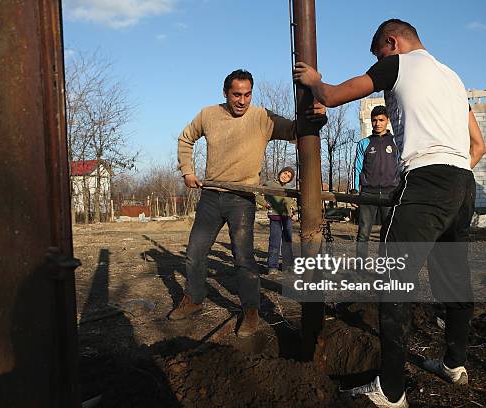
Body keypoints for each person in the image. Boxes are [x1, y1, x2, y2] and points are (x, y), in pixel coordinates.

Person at [294, 19, 486, 408]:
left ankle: (392, 391)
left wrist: (315, 79)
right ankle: (454, 363)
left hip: (426, 181)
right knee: (453, 278)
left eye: (378, 54)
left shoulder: (399, 64)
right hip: (463, 183)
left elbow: (331, 96)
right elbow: (478, 145)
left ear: (391, 42)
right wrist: (452, 175)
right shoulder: (452, 77)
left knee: (392, 283)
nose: (378, 64)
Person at [170, 69, 327, 338]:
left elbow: (294, 130)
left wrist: (317, 116)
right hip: (210, 195)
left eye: (247, 94)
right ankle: (194, 299)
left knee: (243, 258)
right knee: (195, 252)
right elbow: (186, 138)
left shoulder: (262, 118)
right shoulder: (208, 115)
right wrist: (187, 170)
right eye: (236, 95)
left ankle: (251, 311)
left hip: (241, 198)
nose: (242, 101)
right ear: (225, 93)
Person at [352, 105, 400, 260]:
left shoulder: (396, 143)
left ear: (387, 121)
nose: (377, 123)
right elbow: (357, 166)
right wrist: (354, 191)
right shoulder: (364, 143)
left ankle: (384, 271)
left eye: (381, 120)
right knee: (363, 234)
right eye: (374, 120)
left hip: (390, 194)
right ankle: (360, 272)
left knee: (387, 235)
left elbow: (402, 165)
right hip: (367, 193)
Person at [258, 166, 297, 275]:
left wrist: (293, 207)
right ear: (280, 173)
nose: (286, 177)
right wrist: (266, 204)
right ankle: (272, 266)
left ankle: (288, 265)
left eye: (289, 176)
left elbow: (290, 202)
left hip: (287, 218)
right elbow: (257, 194)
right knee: (275, 241)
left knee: (287, 242)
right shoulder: (269, 184)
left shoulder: (288, 189)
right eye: (285, 173)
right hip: (275, 217)